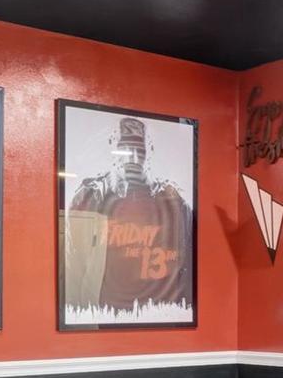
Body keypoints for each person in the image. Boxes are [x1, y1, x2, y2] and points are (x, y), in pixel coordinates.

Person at [68, 116, 192, 316]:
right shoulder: (92, 195)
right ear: (113, 148)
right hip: (104, 314)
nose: (133, 157)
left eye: (139, 149)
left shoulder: (172, 202)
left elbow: (185, 267)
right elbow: (74, 266)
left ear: (149, 151)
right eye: (125, 147)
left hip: (160, 315)